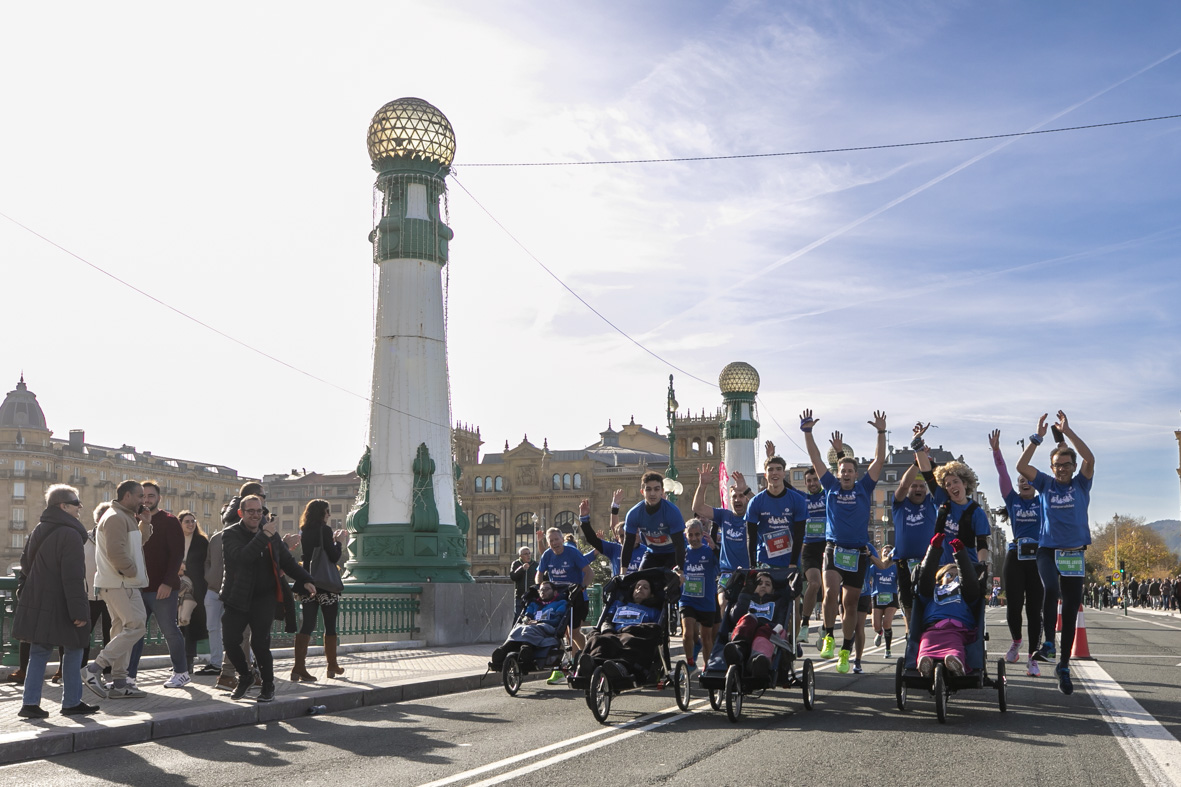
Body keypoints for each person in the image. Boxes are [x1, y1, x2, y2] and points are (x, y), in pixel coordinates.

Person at [799, 409, 888, 674]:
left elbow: (880, 459)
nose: (846, 474)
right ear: (837, 473)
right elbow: (815, 458)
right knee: (829, 592)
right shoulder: (831, 486)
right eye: (842, 470)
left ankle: (846, 651)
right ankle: (828, 635)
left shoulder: (864, 488)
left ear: (855, 473)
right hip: (833, 548)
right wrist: (808, 432)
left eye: (850, 470)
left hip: (857, 553)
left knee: (850, 604)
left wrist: (881, 432)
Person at [1016, 410, 1095, 695]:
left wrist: (1068, 432)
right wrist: (1037, 437)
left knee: (1071, 610)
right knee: (1051, 588)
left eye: (1065, 464)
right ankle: (1049, 642)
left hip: (1074, 553)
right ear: (1051, 468)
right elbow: (1021, 465)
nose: (1061, 469)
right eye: (1057, 465)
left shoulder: (1081, 484)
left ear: (1073, 467)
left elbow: (1090, 458)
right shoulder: (1045, 484)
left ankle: (1063, 665)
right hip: (1047, 550)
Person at [220, 495, 317, 702]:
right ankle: (245, 676)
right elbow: (243, 558)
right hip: (237, 596)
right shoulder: (231, 534)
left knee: (260, 643)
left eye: (259, 511)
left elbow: (288, 562)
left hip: (264, 597)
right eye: (251, 511)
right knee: (229, 640)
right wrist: (264, 535)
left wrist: (306, 579)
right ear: (241, 513)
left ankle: (268, 685)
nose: (256, 515)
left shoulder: (270, 535)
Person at [13, 485, 95, 718]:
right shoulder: (69, 534)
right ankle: (71, 702)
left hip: (38, 599)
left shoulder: (38, 529)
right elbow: (72, 576)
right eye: (75, 502)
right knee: (74, 648)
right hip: (61, 601)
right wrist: (79, 611)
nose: (80, 507)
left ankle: (29, 704)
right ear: (63, 506)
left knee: (39, 651)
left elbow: (26, 567)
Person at [82, 480, 149, 700]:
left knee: (122, 631)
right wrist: (130, 572)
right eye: (140, 496)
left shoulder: (124, 517)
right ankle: (95, 669)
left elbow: (136, 546)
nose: (143, 500)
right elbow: (116, 551)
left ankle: (120, 682)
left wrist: (145, 524)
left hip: (117, 583)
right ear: (127, 496)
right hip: (121, 583)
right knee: (137, 625)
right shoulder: (116, 517)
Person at [990, 428, 1045, 678]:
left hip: (1038, 559)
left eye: (1027, 479)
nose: (1023, 482)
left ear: (1034, 483)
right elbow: (1003, 473)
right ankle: (1016, 641)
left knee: (1034, 610)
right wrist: (996, 451)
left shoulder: (1042, 501)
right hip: (1016, 556)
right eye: (1020, 480)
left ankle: (1033, 658)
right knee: (1013, 607)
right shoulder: (1012, 500)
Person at [126, 480, 189, 689]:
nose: (145, 500)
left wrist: (168, 583)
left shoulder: (169, 521)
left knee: (169, 630)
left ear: (158, 498)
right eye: (142, 496)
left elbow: (177, 555)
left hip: (161, 588)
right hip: (137, 587)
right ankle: (129, 677)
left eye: (150, 496)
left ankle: (181, 672)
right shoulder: (132, 520)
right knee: (135, 632)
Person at [294, 499, 349, 682]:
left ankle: (298, 668)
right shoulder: (325, 530)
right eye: (327, 511)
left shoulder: (305, 530)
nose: (329, 514)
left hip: (308, 582)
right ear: (321, 513)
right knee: (329, 624)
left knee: (307, 624)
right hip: (325, 585)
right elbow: (333, 557)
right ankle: (331, 666)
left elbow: (308, 555)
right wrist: (339, 542)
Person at [915, 530, 982, 678]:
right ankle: (925, 663)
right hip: (933, 627)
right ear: (940, 578)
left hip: (957, 628)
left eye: (958, 575)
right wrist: (934, 549)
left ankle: (956, 662)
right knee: (926, 642)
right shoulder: (932, 591)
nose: (954, 578)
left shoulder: (964, 592)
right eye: (950, 575)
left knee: (954, 644)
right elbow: (925, 578)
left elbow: (970, 582)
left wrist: (961, 554)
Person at [577, 576, 666, 682]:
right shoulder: (619, 605)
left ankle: (622, 667)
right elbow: (607, 620)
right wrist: (608, 630)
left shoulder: (653, 611)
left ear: (651, 594)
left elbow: (655, 629)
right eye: (637, 586)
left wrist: (630, 630)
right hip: (614, 634)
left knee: (630, 640)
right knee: (597, 638)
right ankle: (592, 664)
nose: (640, 588)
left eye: (645, 587)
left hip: (634, 635)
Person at [536, 526, 594, 683]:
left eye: (557, 539)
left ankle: (588, 656)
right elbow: (539, 574)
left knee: (574, 634)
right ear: (548, 543)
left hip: (577, 597)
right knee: (558, 634)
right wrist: (539, 588)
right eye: (551, 541)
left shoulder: (572, 552)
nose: (555, 543)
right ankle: (560, 669)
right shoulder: (547, 555)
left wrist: (582, 587)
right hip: (558, 599)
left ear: (562, 540)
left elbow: (589, 572)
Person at [690, 464, 751, 611]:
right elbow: (697, 508)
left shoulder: (753, 516)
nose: (738, 499)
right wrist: (703, 484)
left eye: (741, 496)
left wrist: (747, 490)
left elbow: (762, 508)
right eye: (734, 497)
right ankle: (723, 635)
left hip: (747, 572)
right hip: (727, 573)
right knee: (722, 603)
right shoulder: (724, 516)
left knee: (743, 608)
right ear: (730, 500)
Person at [489, 580, 568, 671]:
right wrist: (527, 619)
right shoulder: (534, 604)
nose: (543, 591)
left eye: (546, 589)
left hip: (548, 627)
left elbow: (557, 621)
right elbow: (527, 616)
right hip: (530, 626)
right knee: (519, 627)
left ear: (555, 592)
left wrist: (538, 621)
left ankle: (526, 648)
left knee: (530, 629)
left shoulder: (561, 603)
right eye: (541, 590)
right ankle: (504, 649)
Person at [621, 471, 687, 573]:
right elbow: (628, 543)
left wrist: (680, 571)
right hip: (652, 553)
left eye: (656, 489)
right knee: (641, 582)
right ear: (642, 492)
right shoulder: (634, 513)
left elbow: (679, 545)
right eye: (648, 489)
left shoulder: (672, 512)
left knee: (671, 583)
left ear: (662, 491)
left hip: (673, 553)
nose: (652, 493)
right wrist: (622, 573)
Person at [679, 519, 718, 673]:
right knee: (687, 633)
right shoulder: (682, 552)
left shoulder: (709, 551)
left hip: (706, 601)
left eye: (697, 534)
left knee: (706, 638)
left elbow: (721, 563)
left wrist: (715, 549)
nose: (694, 538)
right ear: (685, 535)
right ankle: (690, 663)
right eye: (690, 535)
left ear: (703, 534)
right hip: (687, 599)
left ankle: (708, 668)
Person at [580, 489, 647, 577]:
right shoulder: (614, 549)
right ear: (617, 538)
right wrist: (584, 519)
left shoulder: (646, 550)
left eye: (630, 534)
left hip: (639, 589)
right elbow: (592, 539)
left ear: (637, 534)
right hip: (620, 588)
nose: (626, 539)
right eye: (622, 536)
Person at [177, 511, 211, 675]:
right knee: (178, 625)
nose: (190, 524)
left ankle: (188, 661)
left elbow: (206, 564)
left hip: (196, 588)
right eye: (187, 521)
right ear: (180, 523)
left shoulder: (201, 541)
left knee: (188, 622)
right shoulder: (174, 540)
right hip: (177, 588)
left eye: (193, 521)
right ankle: (180, 662)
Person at [870, 548, 900, 660]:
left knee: (887, 623)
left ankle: (888, 649)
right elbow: (866, 576)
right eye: (885, 551)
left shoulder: (895, 568)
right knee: (876, 626)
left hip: (891, 596)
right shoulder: (875, 567)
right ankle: (880, 632)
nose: (887, 552)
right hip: (877, 596)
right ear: (881, 553)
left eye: (889, 551)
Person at [509, 546, 539, 620]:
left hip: (532, 596)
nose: (528, 555)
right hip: (520, 595)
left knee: (531, 616)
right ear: (520, 556)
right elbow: (513, 577)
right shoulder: (516, 563)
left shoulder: (535, 564)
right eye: (525, 554)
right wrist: (522, 569)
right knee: (518, 616)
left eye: (529, 553)